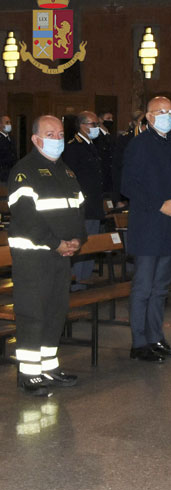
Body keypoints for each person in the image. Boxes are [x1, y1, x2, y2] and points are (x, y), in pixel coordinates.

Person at [8, 115, 85, 396]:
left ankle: (49, 367)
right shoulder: (24, 171)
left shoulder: (66, 171)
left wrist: (78, 239)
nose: (56, 139)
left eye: (60, 133)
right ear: (35, 139)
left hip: (61, 255)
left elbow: (78, 209)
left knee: (55, 311)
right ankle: (29, 373)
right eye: (49, 134)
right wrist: (55, 243)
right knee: (33, 313)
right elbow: (26, 217)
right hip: (34, 255)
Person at [121, 96, 171, 362]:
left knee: (161, 287)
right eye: (161, 112)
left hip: (168, 225)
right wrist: (159, 206)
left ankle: (156, 337)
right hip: (148, 224)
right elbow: (128, 185)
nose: (168, 116)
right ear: (149, 117)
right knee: (144, 287)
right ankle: (139, 343)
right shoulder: (139, 145)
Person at [62, 111, 105, 291]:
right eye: (94, 124)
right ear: (82, 126)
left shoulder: (91, 145)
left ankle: (84, 283)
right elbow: (72, 180)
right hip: (82, 207)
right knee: (81, 248)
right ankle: (77, 286)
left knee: (91, 247)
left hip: (94, 205)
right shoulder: (73, 147)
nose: (97, 128)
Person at [1, 113, 17, 184]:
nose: (9, 124)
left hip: (12, 170)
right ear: (0, 125)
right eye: (7, 122)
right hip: (2, 172)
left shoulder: (11, 137)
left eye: (10, 122)